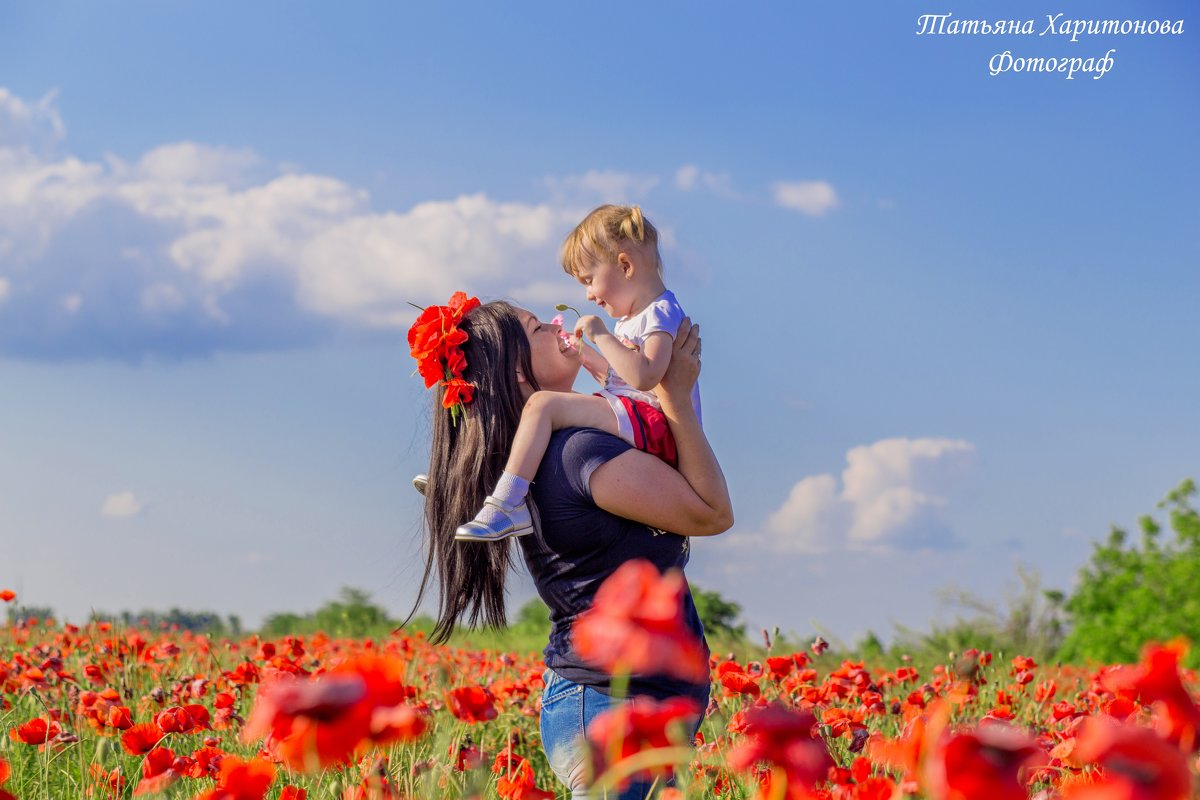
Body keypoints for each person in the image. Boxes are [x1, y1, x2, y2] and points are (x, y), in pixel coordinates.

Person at [407, 294, 732, 799]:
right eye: (538, 328)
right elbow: (712, 512)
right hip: (613, 706)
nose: (558, 326)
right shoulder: (577, 452)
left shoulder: (538, 458)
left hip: (613, 702)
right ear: (517, 372)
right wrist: (676, 398)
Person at [455, 205, 702, 542]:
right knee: (544, 413)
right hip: (641, 419)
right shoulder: (640, 316)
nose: (588, 294)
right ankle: (483, 487)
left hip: (654, 427)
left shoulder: (660, 314)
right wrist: (586, 354)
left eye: (589, 280)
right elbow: (622, 380)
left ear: (625, 265)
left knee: (544, 406)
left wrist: (602, 335)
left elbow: (644, 378)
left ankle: (506, 504)